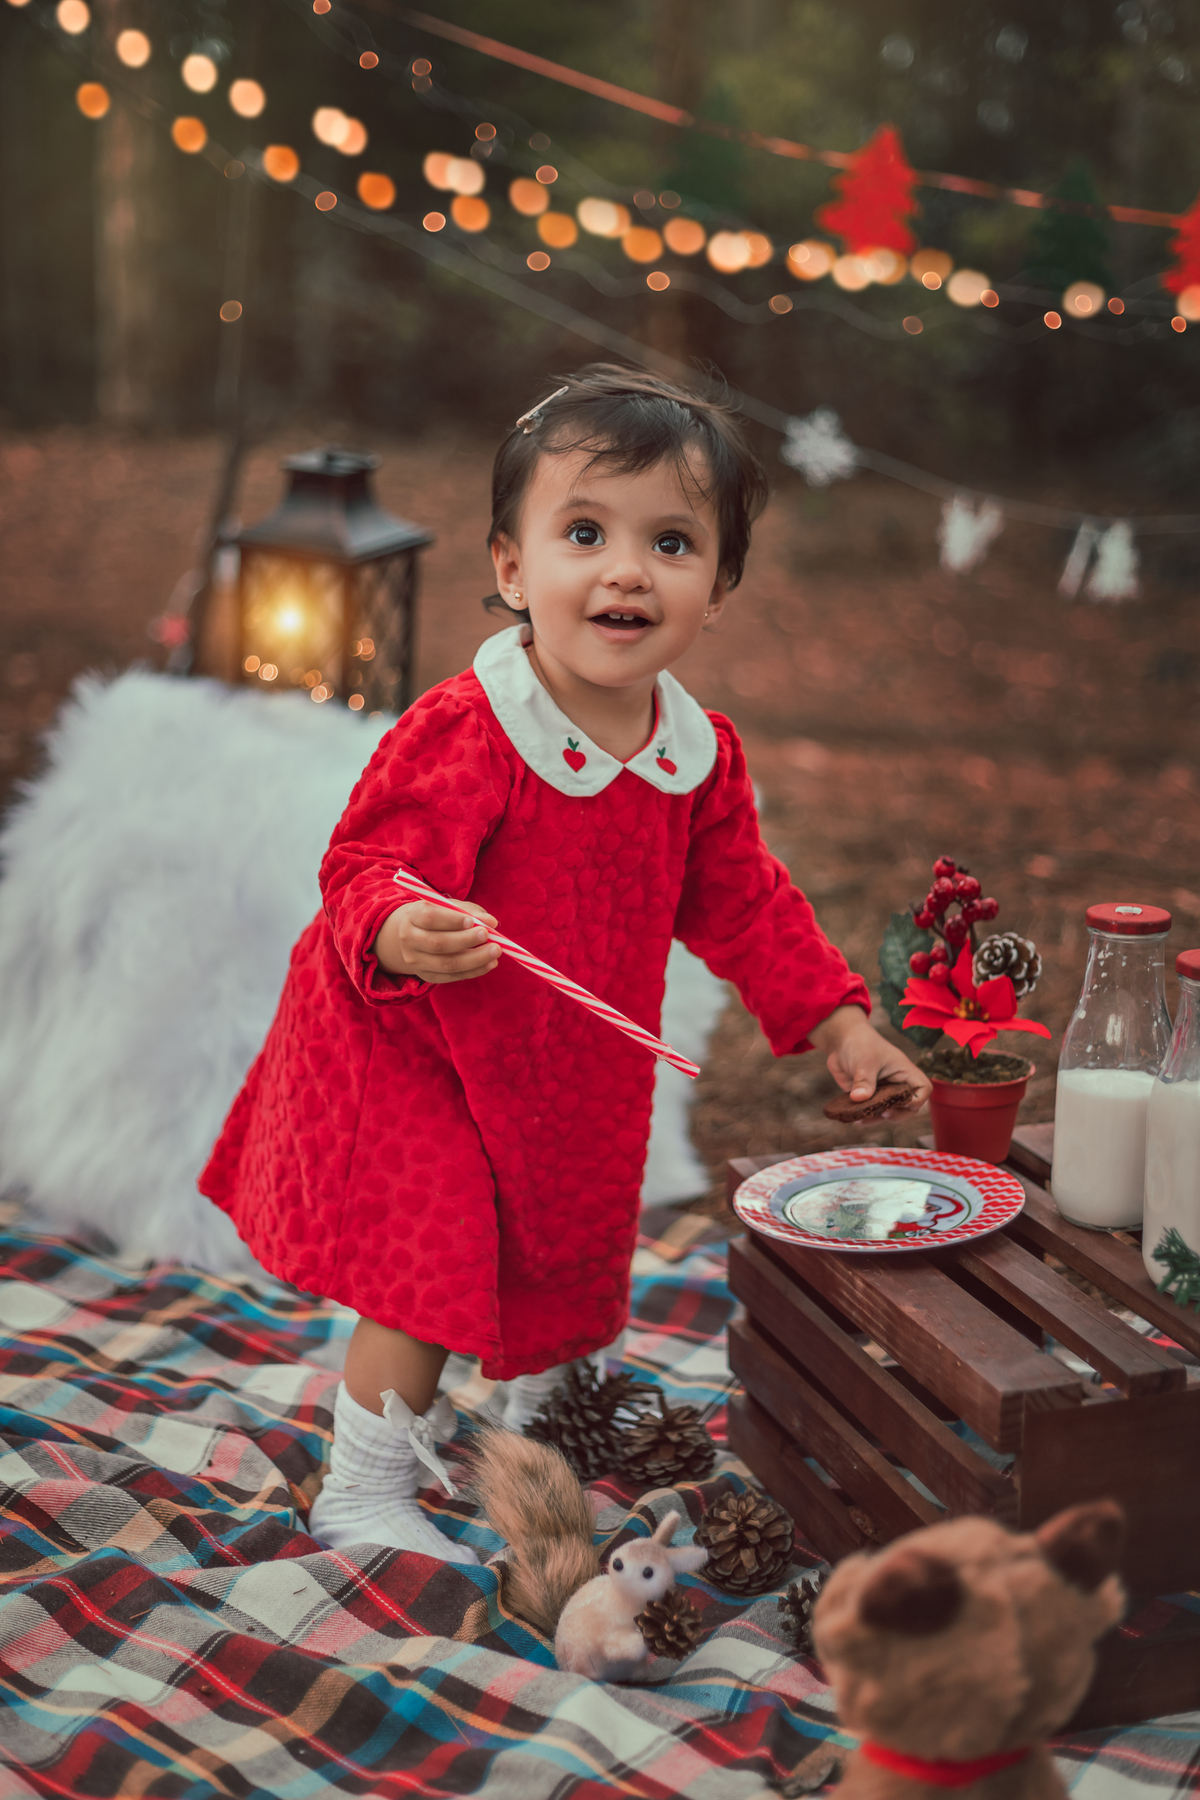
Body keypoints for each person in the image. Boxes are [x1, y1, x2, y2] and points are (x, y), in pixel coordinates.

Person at [200, 364, 930, 1561]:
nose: (626, 571)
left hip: (571, 1057)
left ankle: (544, 1418)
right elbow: (366, 864)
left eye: (672, 543)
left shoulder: (695, 755)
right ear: (511, 568)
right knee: (432, 1259)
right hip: (419, 1040)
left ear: (719, 587)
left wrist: (841, 1022)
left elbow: (745, 901)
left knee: (566, 1236)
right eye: (584, 533)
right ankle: (366, 1483)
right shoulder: (473, 729)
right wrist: (400, 927)